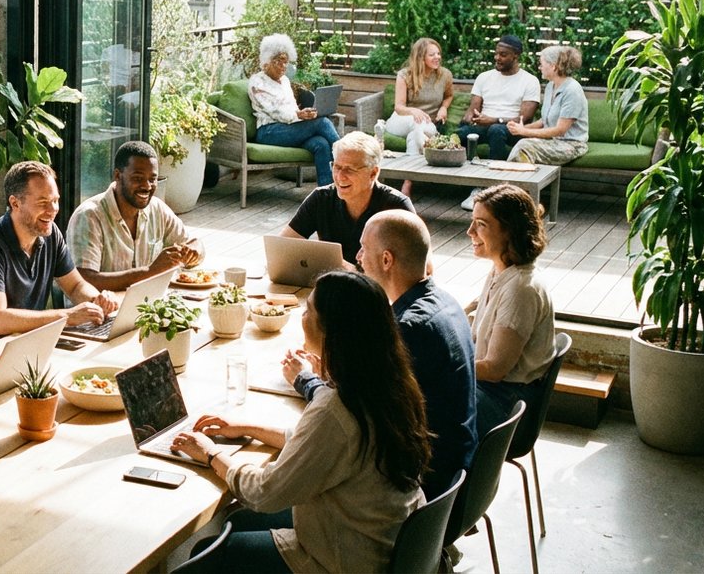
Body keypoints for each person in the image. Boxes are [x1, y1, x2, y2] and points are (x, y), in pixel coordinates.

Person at [172, 271, 431, 573]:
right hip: (382, 543)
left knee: (206, 555)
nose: (302, 317)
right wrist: (246, 428)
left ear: (331, 331)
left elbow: (265, 492)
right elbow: (318, 446)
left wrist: (212, 454)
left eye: (308, 310)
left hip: (342, 561)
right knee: (237, 521)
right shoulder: (391, 385)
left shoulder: (338, 409)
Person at [344, 210, 477, 497]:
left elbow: (358, 409)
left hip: (424, 483)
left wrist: (307, 380)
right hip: (457, 470)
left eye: (364, 248)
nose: (357, 257)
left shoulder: (409, 329)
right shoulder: (446, 301)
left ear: (386, 260)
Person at [0, 160, 119, 340]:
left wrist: (96, 300)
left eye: (55, 200)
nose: (53, 210)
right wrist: (67, 316)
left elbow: (75, 286)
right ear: (15, 203)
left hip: (31, 343)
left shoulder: (50, 234)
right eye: (43, 202)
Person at [466, 184, 555, 439]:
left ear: (510, 231)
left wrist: (447, 367)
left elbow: (494, 369)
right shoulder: (501, 269)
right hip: (495, 392)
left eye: (481, 224)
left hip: (506, 404)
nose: (469, 231)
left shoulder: (520, 289)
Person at [66, 141, 203, 292]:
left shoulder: (157, 209)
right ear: (117, 175)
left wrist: (194, 251)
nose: (147, 186)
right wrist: (150, 272)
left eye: (152, 179)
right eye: (138, 178)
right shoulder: (89, 217)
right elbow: (84, 281)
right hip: (100, 313)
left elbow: (193, 243)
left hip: (146, 307)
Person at [280, 131, 414, 266]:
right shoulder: (321, 198)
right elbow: (282, 247)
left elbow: (420, 268)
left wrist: (343, 267)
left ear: (373, 173)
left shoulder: (397, 207)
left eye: (350, 170)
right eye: (337, 167)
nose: (340, 176)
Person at [457, 34, 541, 209]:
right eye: (496, 53)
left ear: (516, 56)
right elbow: (474, 108)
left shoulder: (530, 81)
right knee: (461, 134)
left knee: (496, 130)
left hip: (512, 130)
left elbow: (524, 118)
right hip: (484, 126)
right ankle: (471, 184)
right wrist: (470, 118)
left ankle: (493, 190)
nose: (497, 58)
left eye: (503, 55)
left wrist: (495, 120)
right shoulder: (484, 77)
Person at [247, 34, 340, 187]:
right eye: (279, 61)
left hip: (289, 128)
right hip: (269, 131)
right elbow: (275, 111)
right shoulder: (257, 83)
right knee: (322, 123)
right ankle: (347, 154)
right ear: (267, 61)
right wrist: (298, 115)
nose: (283, 67)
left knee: (321, 144)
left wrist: (304, 114)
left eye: (286, 62)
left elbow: (291, 108)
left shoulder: (284, 81)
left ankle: (327, 191)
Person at [388, 38, 454, 196]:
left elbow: (449, 96)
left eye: (438, 53)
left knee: (415, 134)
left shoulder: (444, 75)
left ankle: (408, 182)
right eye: (432, 54)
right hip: (400, 120)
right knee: (415, 124)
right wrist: (413, 111)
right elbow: (399, 106)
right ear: (420, 57)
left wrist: (444, 108)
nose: (437, 57)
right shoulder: (405, 75)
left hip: (426, 124)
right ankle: (430, 143)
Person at [507, 45, 589, 165]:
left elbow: (560, 130)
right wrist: (520, 128)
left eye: (542, 64)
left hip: (572, 145)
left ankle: (511, 181)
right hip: (553, 141)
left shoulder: (572, 90)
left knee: (524, 146)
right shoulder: (551, 86)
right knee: (521, 144)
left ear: (553, 66)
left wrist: (525, 132)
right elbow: (544, 120)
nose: (540, 67)